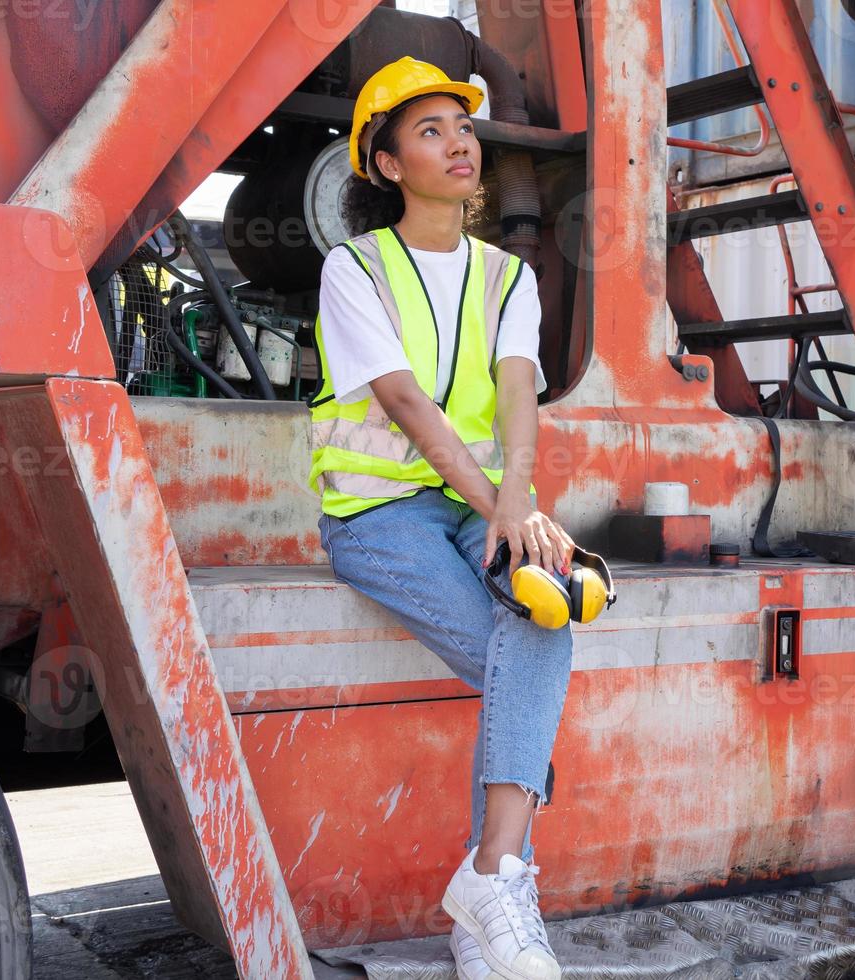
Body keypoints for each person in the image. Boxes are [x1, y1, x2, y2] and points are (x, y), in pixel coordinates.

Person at [308, 57, 574, 980]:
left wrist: (523, 508)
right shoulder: (354, 269)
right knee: (523, 667)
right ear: (385, 166)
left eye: (462, 128)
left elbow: (516, 401)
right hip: (377, 515)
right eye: (428, 131)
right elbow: (408, 406)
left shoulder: (508, 276)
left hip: (478, 508)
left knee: (547, 603)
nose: (458, 144)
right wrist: (500, 503)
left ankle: (489, 887)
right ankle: (495, 897)